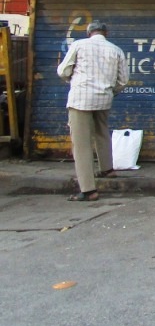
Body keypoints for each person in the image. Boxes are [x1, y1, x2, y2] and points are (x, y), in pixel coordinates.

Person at [56, 21, 130, 202]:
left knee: (81, 144)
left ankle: (88, 190)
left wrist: (71, 80)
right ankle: (107, 169)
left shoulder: (79, 45)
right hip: (104, 98)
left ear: (89, 32)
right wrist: (111, 91)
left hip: (80, 98)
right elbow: (124, 80)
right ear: (106, 32)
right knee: (102, 132)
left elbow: (63, 71)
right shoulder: (116, 50)